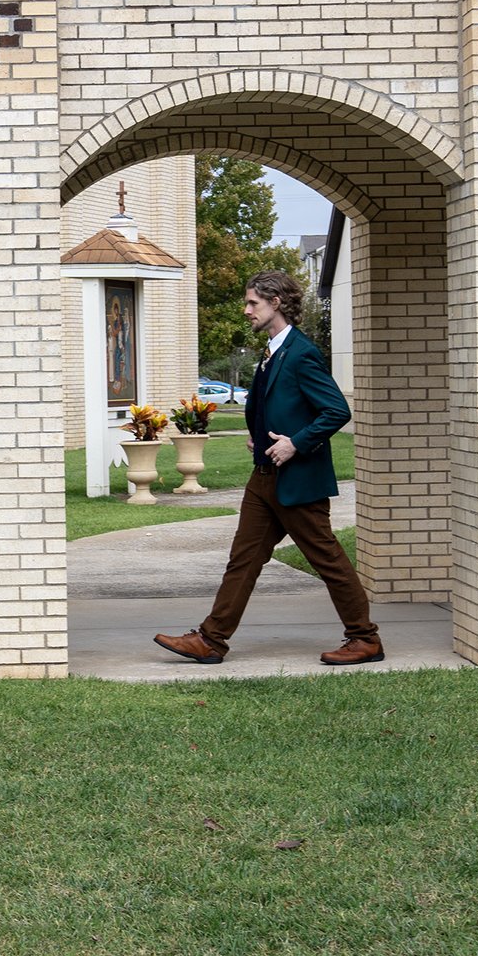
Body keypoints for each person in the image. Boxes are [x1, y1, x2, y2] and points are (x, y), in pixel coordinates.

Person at [154, 270, 382, 668]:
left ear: (276, 303)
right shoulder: (272, 351)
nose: (246, 311)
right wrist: (259, 437)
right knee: (243, 560)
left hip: (296, 480)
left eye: (252, 303)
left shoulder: (302, 352)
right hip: (264, 478)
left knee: (327, 559)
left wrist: (295, 443)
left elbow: (336, 410)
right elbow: (276, 405)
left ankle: (365, 638)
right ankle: (211, 639)